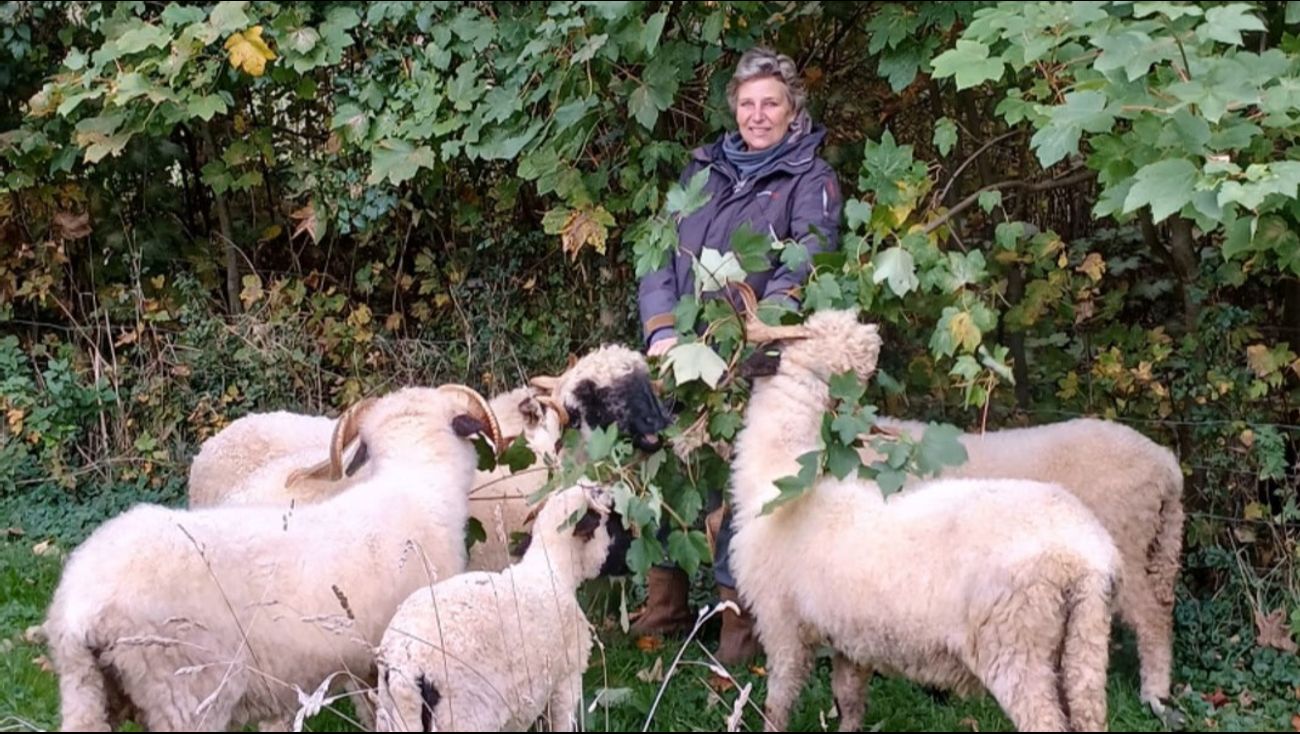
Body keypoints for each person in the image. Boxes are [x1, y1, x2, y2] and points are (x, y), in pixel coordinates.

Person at [632, 46, 844, 665]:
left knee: (740, 487)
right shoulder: (702, 172)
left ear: (791, 109)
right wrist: (662, 331)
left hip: (755, 358)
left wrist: (757, 327)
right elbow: (658, 258)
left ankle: (738, 627)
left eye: (770, 103)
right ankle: (665, 606)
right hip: (682, 353)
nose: (757, 115)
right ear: (735, 108)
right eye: (747, 103)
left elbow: (809, 254)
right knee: (668, 469)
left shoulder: (810, 178)